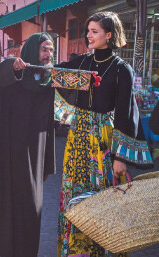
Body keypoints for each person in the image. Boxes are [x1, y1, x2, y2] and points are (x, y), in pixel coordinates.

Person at [55, 12, 153, 256]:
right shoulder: (82, 62)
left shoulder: (122, 70)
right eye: (88, 30)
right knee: (73, 191)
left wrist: (120, 158)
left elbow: (126, 114)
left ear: (109, 35)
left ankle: (98, 249)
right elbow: (53, 76)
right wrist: (24, 68)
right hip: (77, 138)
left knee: (101, 197)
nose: (88, 35)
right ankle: (76, 250)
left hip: (104, 142)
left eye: (94, 31)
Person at [0, 32, 56, 257]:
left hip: (31, 160)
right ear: (30, 51)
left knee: (29, 210)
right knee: (2, 208)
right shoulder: (10, 76)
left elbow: (49, 126)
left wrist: (47, 161)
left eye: (51, 50)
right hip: (3, 155)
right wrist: (8, 68)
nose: (48, 54)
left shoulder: (48, 83)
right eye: (44, 49)